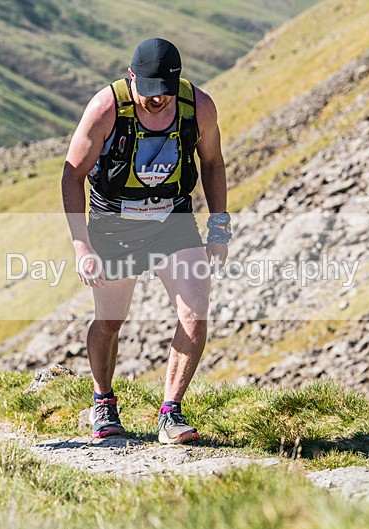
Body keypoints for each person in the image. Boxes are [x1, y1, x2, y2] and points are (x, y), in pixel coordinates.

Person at [61, 38, 230, 444]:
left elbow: (212, 162)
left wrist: (219, 228)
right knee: (110, 321)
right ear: (131, 76)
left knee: (195, 313)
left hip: (172, 218)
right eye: (148, 92)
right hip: (114, 224)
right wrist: (81, 245)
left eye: (165, 93)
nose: (156, 101)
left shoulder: (198, 106)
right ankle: (103, 401)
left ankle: (171, 412)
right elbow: (72, 175)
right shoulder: (106, 108)